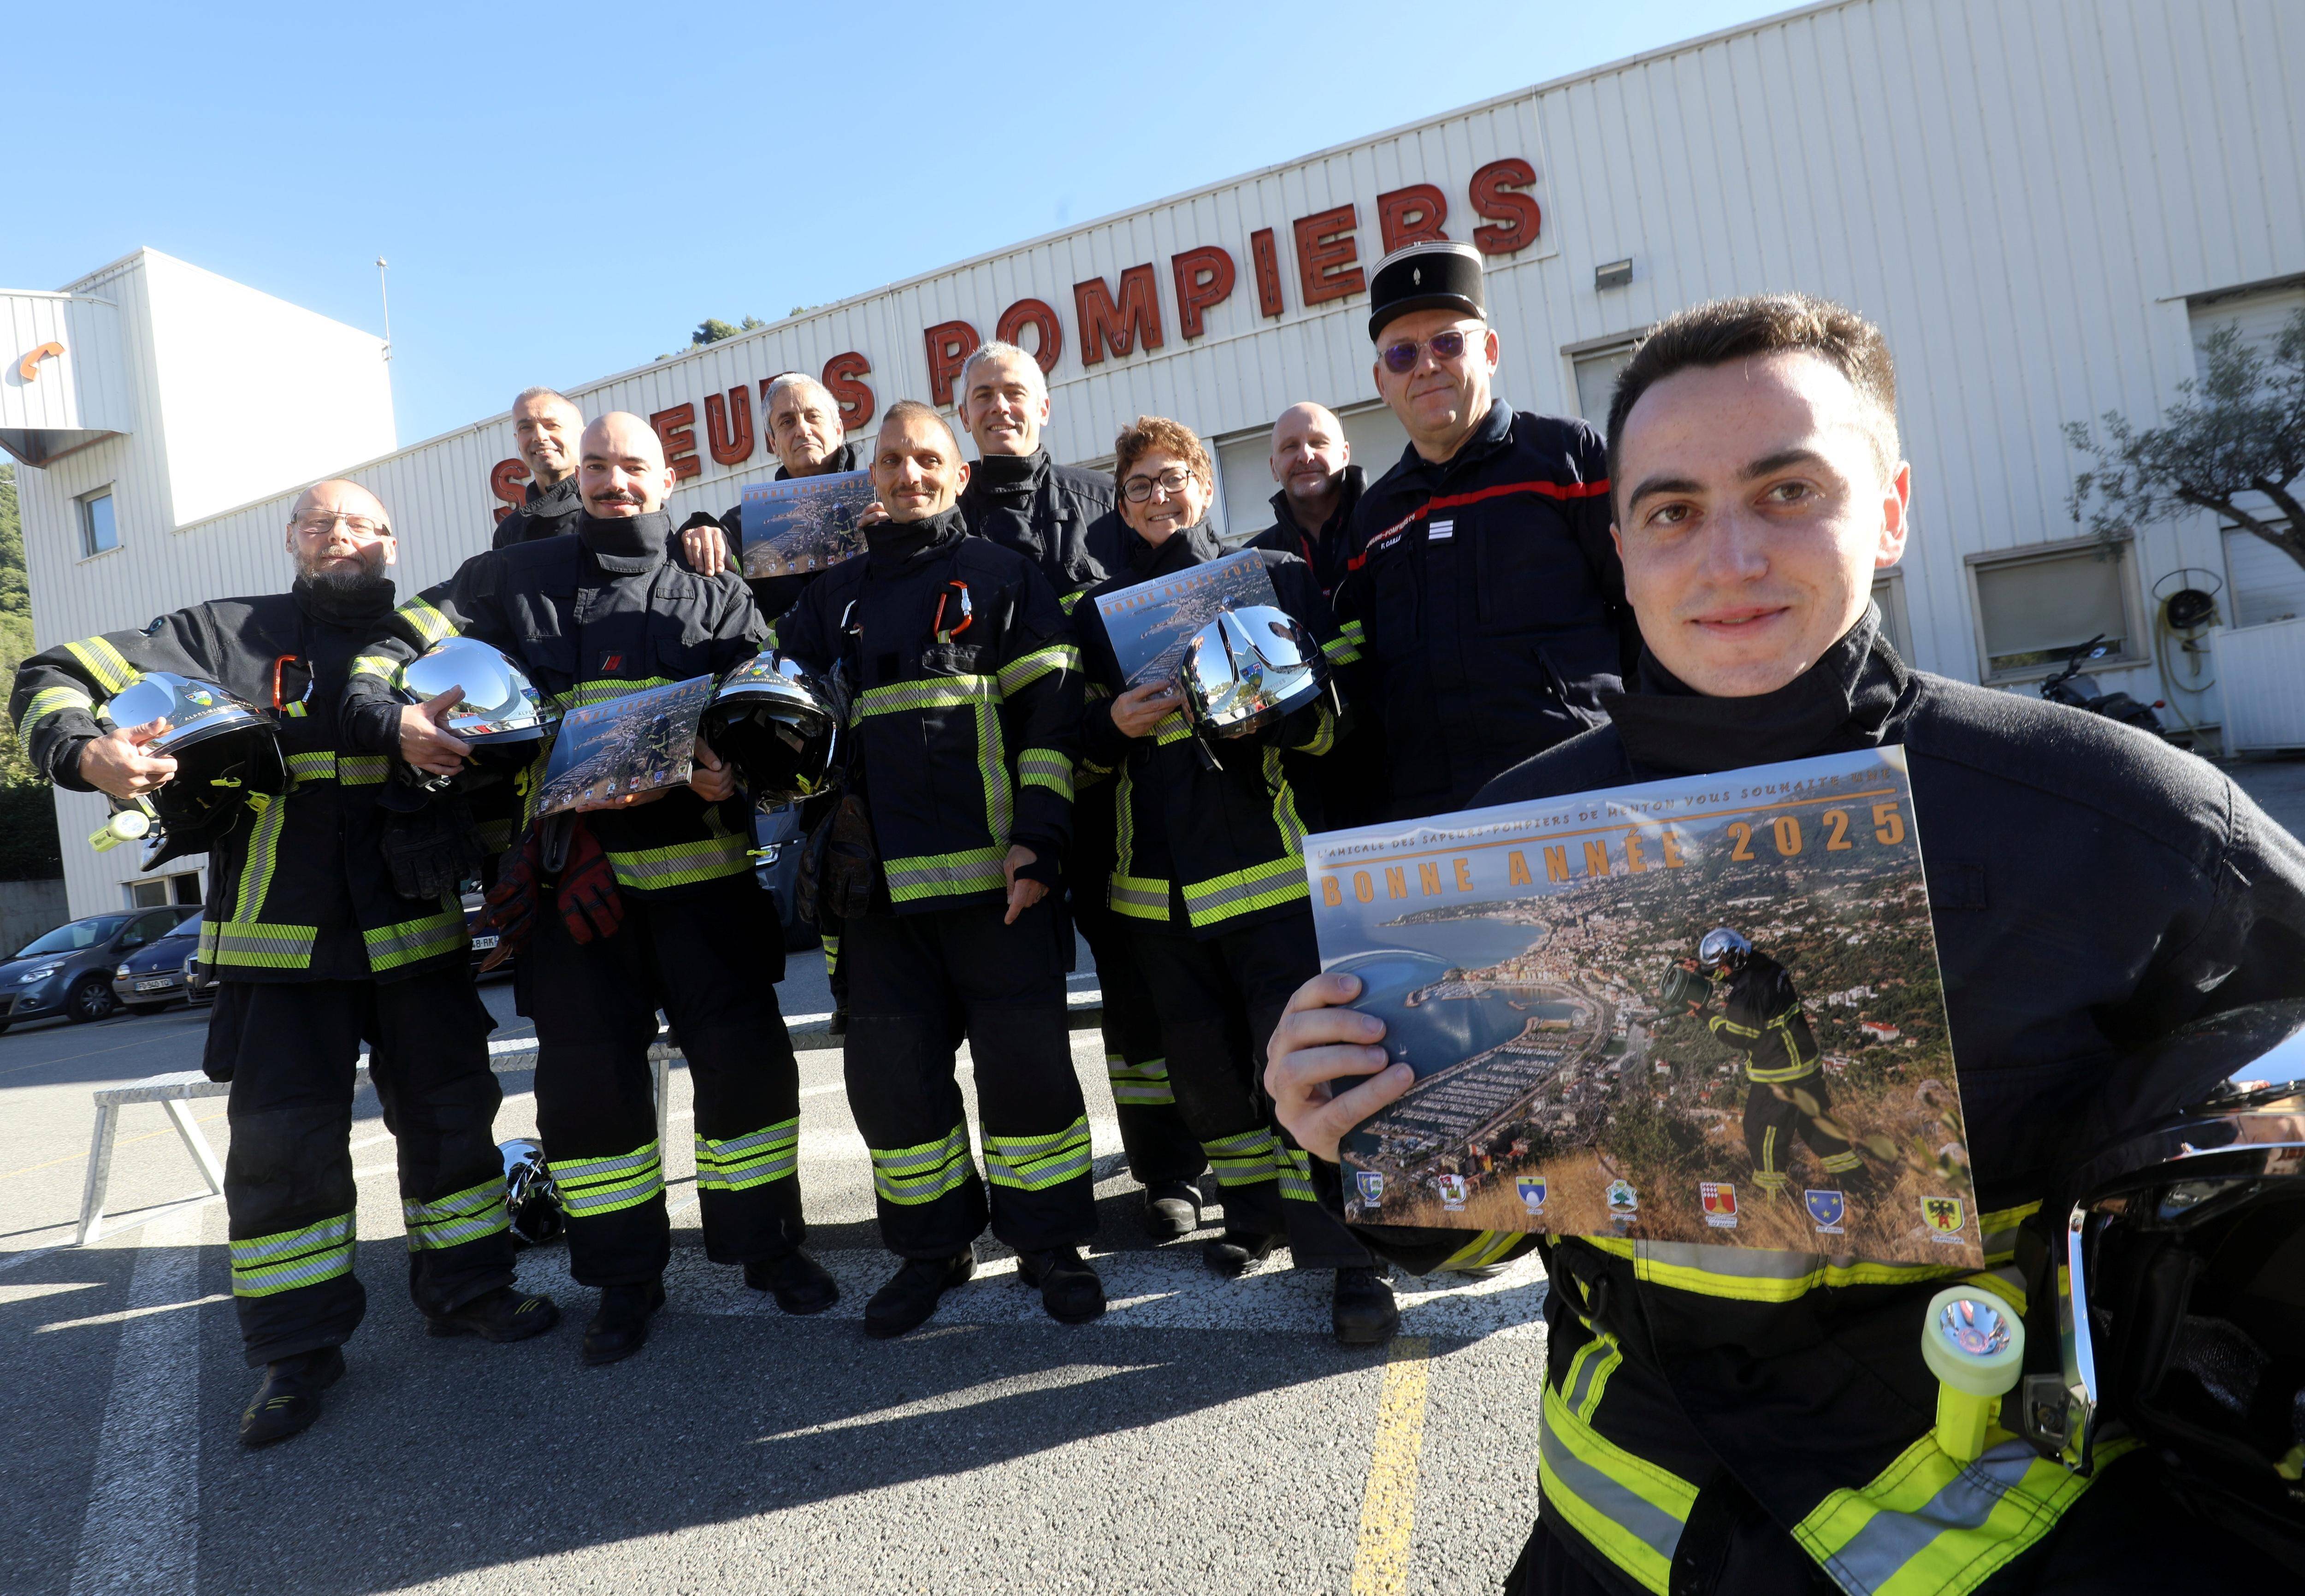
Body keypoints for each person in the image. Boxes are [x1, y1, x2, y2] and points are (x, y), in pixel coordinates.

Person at [1266, 294, 2305, 1595]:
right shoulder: (1506, 842)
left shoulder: (2123, 819)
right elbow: (1477, 1229)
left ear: (1891, 510)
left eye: (1788, 490)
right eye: (1672, 510)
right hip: (1611, 1540)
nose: (1730, 557)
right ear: (1621, 550)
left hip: (2002, 1546)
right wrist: (1351, 1127)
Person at [12, 479, 558, 1448]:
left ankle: (469, 1290)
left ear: (392, 542)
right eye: (318, 523)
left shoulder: (429, 636)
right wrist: (84, 753)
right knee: (283, 1156)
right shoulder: (224, 631)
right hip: (278, 948)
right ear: (292, 540)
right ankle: (295, 1352)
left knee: (452, 1126)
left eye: (360, 524)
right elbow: (51, 671)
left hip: (416, 936)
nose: (339, 536)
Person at [349, 413, 838, 1366]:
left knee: (745, 1075)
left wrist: (731, 777)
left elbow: (769, 720)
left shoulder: (716, 590)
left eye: (633, 466)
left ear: (669, 479)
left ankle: (768, 1249)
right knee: (588, 1098)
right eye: (599, 465)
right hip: (575, 894)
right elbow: (398, 640)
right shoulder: (508, 578)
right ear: (579, 476)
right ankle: (624, 1280)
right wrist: (383, 714)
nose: (615, 481)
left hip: (705, 890)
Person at [775, 400, 1102, 1338]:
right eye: (891, 461)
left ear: (958, 476)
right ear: (870, 477)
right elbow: (780, 718)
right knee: (895, 1090)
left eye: (926, 459)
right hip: (875, 902)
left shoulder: (1006, 576)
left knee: (1029, 1080)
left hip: (1002, 891)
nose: (907, 474)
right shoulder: (829, 598)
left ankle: (1049, 1244)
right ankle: (932, 1250)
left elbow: (1051, 723)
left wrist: (1040, 842)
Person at [1074, 415, 1395, 1345]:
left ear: (1207, 487)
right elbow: (1067, 749)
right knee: (1207, 1079)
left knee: (1311, 1067)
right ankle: (1253, 1216)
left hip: (1271, 877)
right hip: (1156, 893)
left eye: (1173, 478)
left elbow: (1341, 722)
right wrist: (1111, 728)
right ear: (1120, 503)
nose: (1158, 497)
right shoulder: (1094, 615)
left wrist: (1275, 716)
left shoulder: (1276, 578)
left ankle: (1351, 1257)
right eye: (1139, 485)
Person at [956, 339, 1208, 1240]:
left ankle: (1172, 1171)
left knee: (1142, 986)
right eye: (983, 394)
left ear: (1045, 404)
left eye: (1015, 390)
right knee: (1015, 1006)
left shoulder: (1110, 503)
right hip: (999, 804)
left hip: (1115, 791)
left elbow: (1184, 590)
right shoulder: (946, 517)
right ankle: (1038, 1193)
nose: (1000, 406)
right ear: (963, 414)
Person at [1332, 241, 1641, 822]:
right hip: (1433, 820)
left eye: (1447, 343)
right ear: (1381, 381)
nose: (1426, 366)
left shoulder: (1566, 458)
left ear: (1490, 351)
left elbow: (1645, 610)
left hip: (1580, 799)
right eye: (1401, 354)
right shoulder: (1373, 518)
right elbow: (1364, 673)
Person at [1685, 926, 1866, 1200]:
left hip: (1781, 1073)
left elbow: (1738, 1036)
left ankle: (1773, 1200)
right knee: (1817, 1129)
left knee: (1762, 1133)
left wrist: (1706, 1015)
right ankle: (1861, 1187)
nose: (1719, 972)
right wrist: (1702, 969)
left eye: (1720, 967)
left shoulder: (1747, 992)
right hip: (1805, 1065)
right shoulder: (1763, 964)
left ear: (1733, 960)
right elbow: (1736, 974)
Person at [1248, 402, 1363, 597]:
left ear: (1345, 455)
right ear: (1273, 467)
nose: (1305, 456)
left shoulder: (1387, 528)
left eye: (1318, 443)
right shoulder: (1253, 565)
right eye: (1290, 446)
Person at [492, 387, 587, 549]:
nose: (539, 436)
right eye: (526, 428)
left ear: (582, 436)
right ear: (517, 441)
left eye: (552, 425)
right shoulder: (509, 534)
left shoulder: (608, 509)